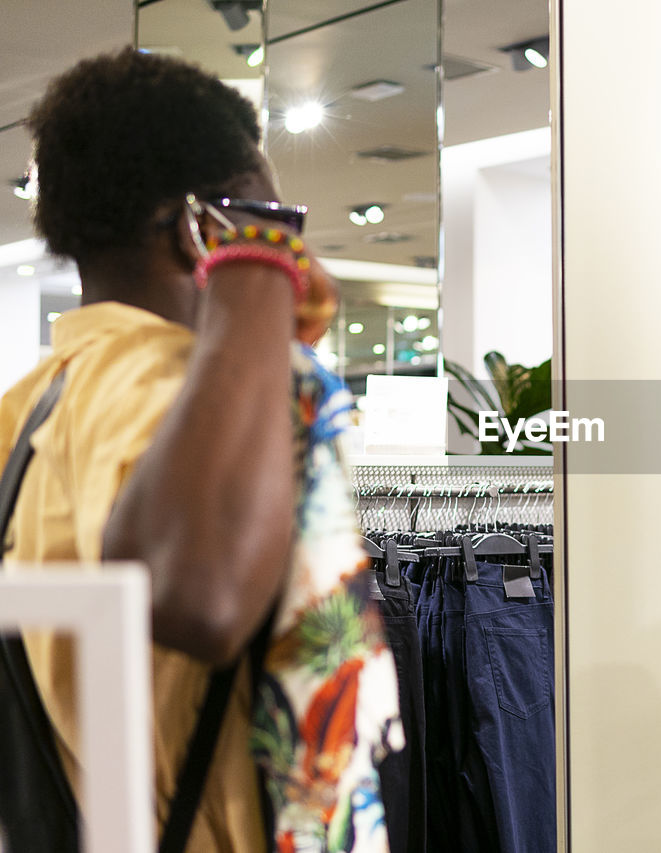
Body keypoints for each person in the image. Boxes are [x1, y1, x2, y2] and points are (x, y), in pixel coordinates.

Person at [0, 48, 387, 850]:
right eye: (265, 210)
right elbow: (202, 593)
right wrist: (258, 246)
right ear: (193, 225)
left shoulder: (30, 404)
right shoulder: (150, 379)